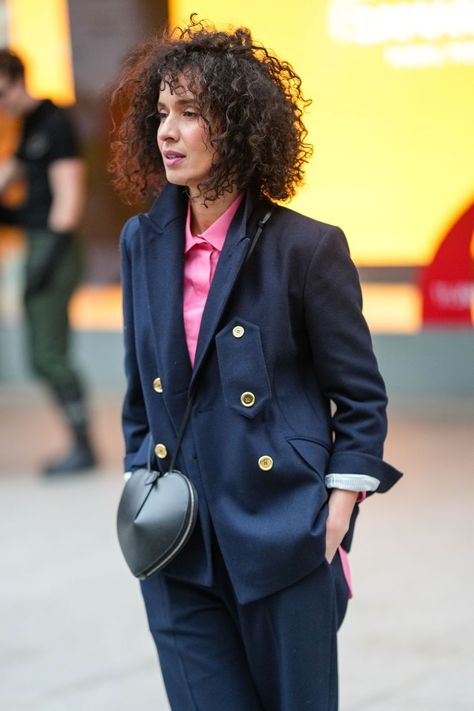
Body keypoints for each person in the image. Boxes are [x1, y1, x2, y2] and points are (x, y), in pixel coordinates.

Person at [110, 18, 403, 711]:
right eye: (161, 114)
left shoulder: (307, 249)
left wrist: (335, 514)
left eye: (190, 114)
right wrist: (138, 483)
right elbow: (137, 388)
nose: (168, 132)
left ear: (237, 127)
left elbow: (360, 399)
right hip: (175, 544)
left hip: (281, 536)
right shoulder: (140, 241)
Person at [0, 49, 96, 475]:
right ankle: (80, 442)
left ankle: (83, 445)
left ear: (13, 80)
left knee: (49, 352)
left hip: (54, 246)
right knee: (42, 353)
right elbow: (10, 178)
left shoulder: (54, 124)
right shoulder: (28, 126)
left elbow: (69, 201)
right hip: (39, 242)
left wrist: (47, 261)